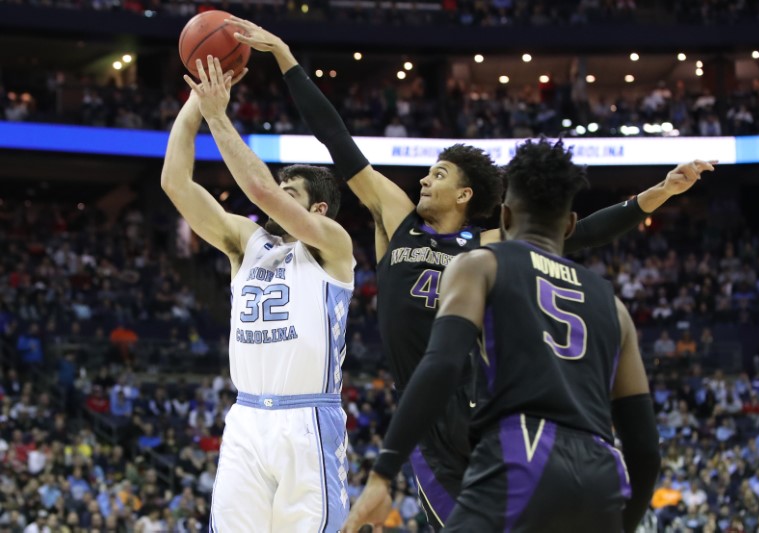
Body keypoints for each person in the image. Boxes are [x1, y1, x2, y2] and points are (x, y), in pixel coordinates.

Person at [226, 17, 713, 528]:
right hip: (425, 409)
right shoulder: (398, 218)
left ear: (465, 195)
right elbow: (336, 139)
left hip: (482, 405)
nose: (424, 179)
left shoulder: (483, 245)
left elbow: (576, 232)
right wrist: (286, 59)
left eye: (438, 174)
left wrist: (657, 195)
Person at [343, 139, 661, 532]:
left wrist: (382, 472)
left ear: (504, 216)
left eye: (438, 173)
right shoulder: (610, 303)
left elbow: (441, 364)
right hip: (596, 464)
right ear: (568, 223)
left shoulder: (481, 259)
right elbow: (646, 451)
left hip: (500, 431)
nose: (425, 180)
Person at [163, 57, 354, 531]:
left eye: (292, 191)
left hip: (307, 420)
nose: (277, 194)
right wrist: (196, 102)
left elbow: (261, 191)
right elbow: (175, 184)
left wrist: (218, 116)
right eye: (281, 186)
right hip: (247, 417)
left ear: (319, 208)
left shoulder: (331, 245)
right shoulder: (247, 244)